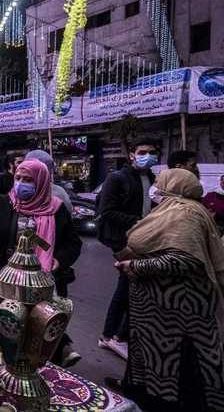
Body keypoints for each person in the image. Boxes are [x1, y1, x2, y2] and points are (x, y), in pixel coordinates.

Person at [107, 169, 224, 411]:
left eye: (160, 183)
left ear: (175, 186)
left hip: (176, 311)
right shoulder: (172, 209)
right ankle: (138, 393)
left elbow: (185, 259)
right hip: (154, 310)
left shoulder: (185, 214)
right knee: (149, 358)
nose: (155, 187)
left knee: (173, 366)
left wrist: (136, 265)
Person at [0, 159, 82, 366]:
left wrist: (58, 260)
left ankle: (36, 367)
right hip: (3, 275)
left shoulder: (56, 210)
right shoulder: (2, 204)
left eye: (28, 180)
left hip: (41, 279)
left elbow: (73, 244)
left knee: (37, 327)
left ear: (41, 182)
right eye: (18, 178)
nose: (21, 184)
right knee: (0, 323)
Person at [97, 138, 159, 359]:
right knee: (128, 284)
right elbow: (107, 212)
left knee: (134, 286)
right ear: (132, 154)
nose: (147, 155)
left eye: (152, 152)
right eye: (143, 151)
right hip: (123, 241)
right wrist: (141, 222)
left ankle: (119, 334)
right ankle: (112, 335)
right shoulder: (117, 178)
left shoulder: (153, 179)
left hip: (145, 240)